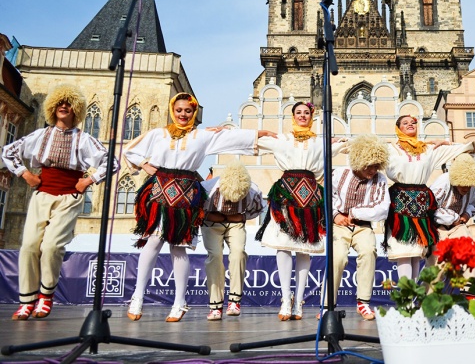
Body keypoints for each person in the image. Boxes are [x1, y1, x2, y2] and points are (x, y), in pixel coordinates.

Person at [124, 92, 273, 323]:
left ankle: (179, 302)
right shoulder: (158, 134)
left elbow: (230, 138)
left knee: (178, 247)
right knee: (152, 241)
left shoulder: (201, 136)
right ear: (172, 110)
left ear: (194, 113)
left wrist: (257, 135)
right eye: (179, 110)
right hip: (160, 189)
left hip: (185, 192)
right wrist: (145, 164)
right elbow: (131, 150)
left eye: (188, 111)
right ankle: (137, 297)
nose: (183, 114)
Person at [2, 84, 117, 320]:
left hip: (69, 197)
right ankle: (27, 299)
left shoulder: (84, 139)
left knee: (52, 246)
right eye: (60, 103)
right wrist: (26, 174)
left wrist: (88, 181)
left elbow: (111, 162)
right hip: (42, 194)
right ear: (52, 108)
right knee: (29, 246)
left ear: (76, 110)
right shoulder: (41, 135)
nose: (64, 106)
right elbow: (8, 151)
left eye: (69, 103)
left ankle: (46, 295)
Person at [255, 101, 347, 321]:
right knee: (283, 247)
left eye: (306, 113)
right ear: (293, 116)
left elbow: (347, 145)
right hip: (286, 194)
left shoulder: (320, 142)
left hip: (310, 197)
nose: (303, 116)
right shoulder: (283, 140)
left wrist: (339, 142)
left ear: (312, 116)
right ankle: (286, 299)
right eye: (299, 112)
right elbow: (253, 142)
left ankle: (299, 300)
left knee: (304, 249)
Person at [384, 115, 475, 281]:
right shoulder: (390, 149)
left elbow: (459, 149)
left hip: (420, 201)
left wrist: (451, 143)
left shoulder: (427, 150)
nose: (410, 124)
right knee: (403, 250)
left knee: (417, 251)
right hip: (400, 199)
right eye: (405, 123)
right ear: (398, 128)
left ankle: (414, 295)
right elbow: (367, 149)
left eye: (413, 122)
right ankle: (407, 297)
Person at [321, 134, 390, 321]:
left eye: (377, 166)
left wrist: (354, 213)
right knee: (337, 258)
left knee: (369, 251)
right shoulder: (339, 174)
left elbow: (382, 209)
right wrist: (336, 215)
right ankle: (327, 306)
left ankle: (363, 303)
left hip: (363, 226)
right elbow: (328, 198)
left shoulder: (380, 180)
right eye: (370, 165)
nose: (373, 170)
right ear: (360, 160)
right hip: (339, 225)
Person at [200, 161, 266, 321]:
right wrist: (217, 216)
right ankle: (215, 306)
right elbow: (198, 212)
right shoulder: (207, 189)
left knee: (238, 253)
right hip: (211, 224)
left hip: (236, 224)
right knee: (215, 257)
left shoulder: (252, 191)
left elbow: (259, 209)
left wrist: (242, 216)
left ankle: (234, 301)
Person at [427, 153, 475, 281]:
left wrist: (467, 214)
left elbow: (473, 203)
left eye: (469, 185)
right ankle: (428, 298)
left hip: (458, 228)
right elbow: (431, 207)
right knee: (437, 266)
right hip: (437, 228)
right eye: (462, 184)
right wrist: (454, 218)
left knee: (470, 251)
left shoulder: (474, 185)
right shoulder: (444, 180)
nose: (466, 188)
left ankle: (469, 291)